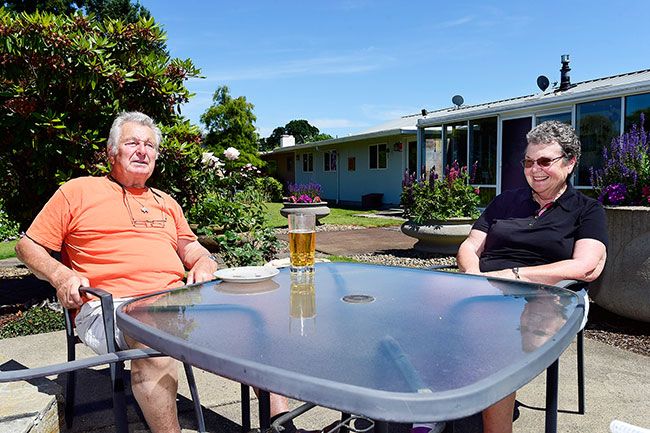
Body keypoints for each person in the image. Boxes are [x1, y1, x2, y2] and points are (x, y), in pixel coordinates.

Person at [15, 111, 293, 433]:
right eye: (132, 142)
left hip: (177, 300)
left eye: (150, 145)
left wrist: (203, 261)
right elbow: (27, 246)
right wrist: (61, 275)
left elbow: (190, 247)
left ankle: (280, 425)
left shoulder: (166, 201)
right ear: (111, 153)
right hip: (112, 306)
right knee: (153, 335)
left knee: (256, 319)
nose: (142, 151)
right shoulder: (77, 191)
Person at [456, 120, 608, 433]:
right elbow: (470, 246)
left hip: (544, 296)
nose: (534, 169)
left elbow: (586, 266)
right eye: (528, 161)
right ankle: (427, 407)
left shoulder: (586, 210)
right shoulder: (505, 201)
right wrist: (472, 276)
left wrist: (512, 276)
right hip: (483, 288)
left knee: (498, 338)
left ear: (570, 163)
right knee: (412, 311)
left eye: (544, 161)